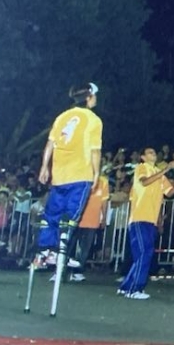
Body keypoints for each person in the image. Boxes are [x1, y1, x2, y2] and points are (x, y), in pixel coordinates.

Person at [36, 84, 103, 270]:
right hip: (80, 174)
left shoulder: (62, 117)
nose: (96, 98)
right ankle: (60, 251)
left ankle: (45, 249)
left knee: (52, 213)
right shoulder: (93, 119)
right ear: (89, 96)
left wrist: (44, 166)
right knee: (71, 215)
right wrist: (97, 172)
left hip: (59, 175)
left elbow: (50, 143)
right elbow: (94, 150)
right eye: (95, 95)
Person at [119, 148, 174, 299]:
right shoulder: (142, 168)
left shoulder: (159, 174)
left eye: (154, 152)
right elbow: (144, 182)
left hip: (150, 220)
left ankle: (127, 286)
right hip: (139, 217)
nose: (153, 154)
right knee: (144, 253)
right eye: (150, 152)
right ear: (143, 157)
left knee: (144, 253)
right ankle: (134, 289)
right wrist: (166, 169)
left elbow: (170, 193)